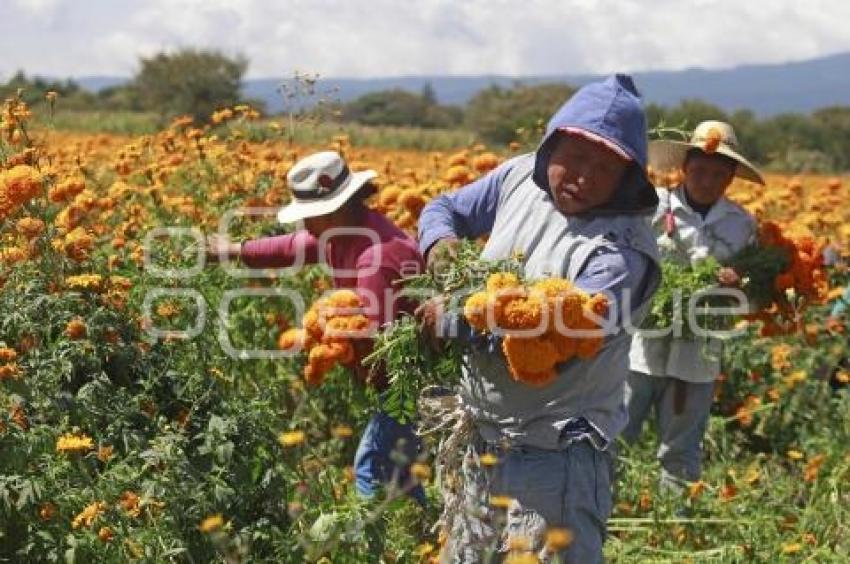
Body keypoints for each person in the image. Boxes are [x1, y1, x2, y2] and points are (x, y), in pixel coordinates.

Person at [417, 75, 661, 563]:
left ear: (627, 178)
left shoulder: (620, 252)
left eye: (603, 167)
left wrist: (455, 317)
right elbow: (444, 207)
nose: (582, 177)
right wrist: (440, 242)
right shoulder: (517, 179)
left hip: (556, 455)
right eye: (574, 157)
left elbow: (558, 336)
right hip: (484, 436)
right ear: (551, 146)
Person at [207, 150, 426, 504]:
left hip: (405, 383)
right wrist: (232, 250)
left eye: (310, 216)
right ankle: (415, 536)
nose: (304, 225)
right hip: (393, 380)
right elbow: (293, 246)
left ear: (336, 208)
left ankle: (373, 551)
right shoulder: (344, 233)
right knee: (399, 472)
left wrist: (321, 335)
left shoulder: (377, 256)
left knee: (371, 469)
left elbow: (379, 340)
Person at [625, 121, 766, 491]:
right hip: (642, 342)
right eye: (700, 170)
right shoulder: (651, 207)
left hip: (699, 349)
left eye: (718, 173)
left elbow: (753, 291)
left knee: (681, 448)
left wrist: (741, 283)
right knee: (617, 435)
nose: (706, 179)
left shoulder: (741, 224)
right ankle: (601, 517)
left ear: (731, 177)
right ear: (685, 167)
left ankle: (675, 526)